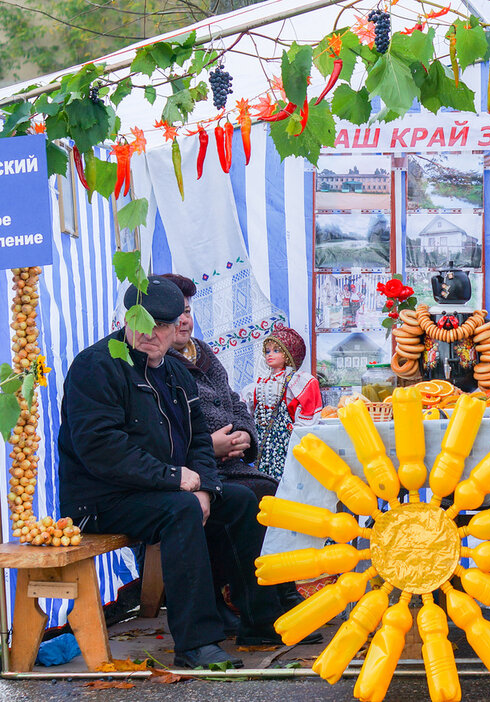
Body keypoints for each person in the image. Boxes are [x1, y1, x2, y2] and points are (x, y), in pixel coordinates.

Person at [57, 276, 304, 669]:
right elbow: (100, 449)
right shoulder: (96, 366)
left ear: (176, 328)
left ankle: (261, 621)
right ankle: (196, 642)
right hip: (101, 498)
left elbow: (199, 444)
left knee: (241, 500)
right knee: (181, 510)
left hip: (161, 489)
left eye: (162, 325)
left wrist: (205, 486)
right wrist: (177, 479)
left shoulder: (174, 371)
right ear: (127, 318)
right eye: (142, 321)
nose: (151, 333)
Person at [159, 273, 306, 610]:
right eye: (174, 314)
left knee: (279, 494)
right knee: (255, 497)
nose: (183, 320)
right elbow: (162, 427)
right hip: (193, 470)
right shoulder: (159, 362)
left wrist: (245, 434)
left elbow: (234, 400)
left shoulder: (203, 351)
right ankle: (253, 601)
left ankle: (276, 589)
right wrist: (208, 447)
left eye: (187, 311)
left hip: (231, 464)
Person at [242, 328, 322, 481]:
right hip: (264, 435)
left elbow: (308, 406)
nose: (270, 354)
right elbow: (249, 408)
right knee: (264, 468)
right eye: (267, 351)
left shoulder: (296, 381)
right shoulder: (260, 384)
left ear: (287, 354)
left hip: (284, 436)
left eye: (276, 350)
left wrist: (297, 429)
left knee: (286, 469)